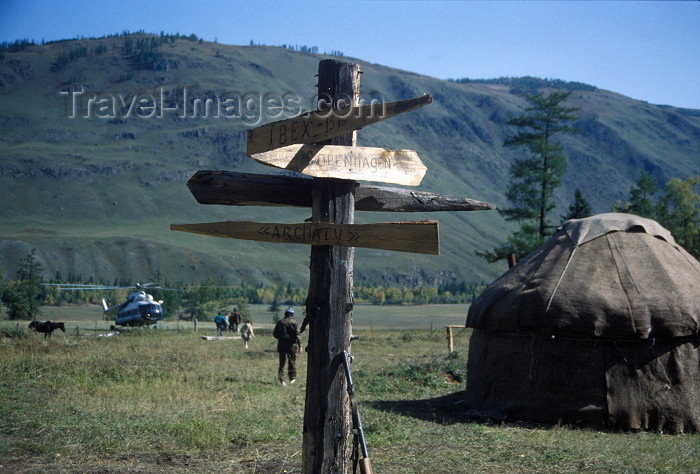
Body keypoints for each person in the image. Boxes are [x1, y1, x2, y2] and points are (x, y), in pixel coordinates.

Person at [273, 306, 301, 386]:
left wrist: (281, 338)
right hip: (292, 345)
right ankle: (292, 378)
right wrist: (300, 345)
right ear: (292, 314)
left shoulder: (280, 322)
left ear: (285, 314)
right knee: (292, 362)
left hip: (282, 345)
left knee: (282, 363)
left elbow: (275, 334)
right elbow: (298, 335)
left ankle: (282, 380)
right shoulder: (294, 323)